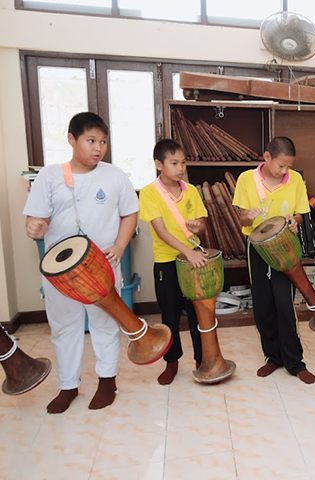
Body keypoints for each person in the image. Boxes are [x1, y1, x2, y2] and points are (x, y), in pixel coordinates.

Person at [24, 112, 139, 413]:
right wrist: (34, 226)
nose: (98, 148)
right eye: (91, 141)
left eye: (103, 141)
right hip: (60, 272)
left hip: (102, 266)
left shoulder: (115, 176)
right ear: (72, 140)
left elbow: (130, 213)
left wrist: (120, 245)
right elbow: (36, 219)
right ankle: (68, 386)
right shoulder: (49, 176)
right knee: (64, 326)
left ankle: (107, 381)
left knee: (104, 323)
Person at [233, 136, 315, 384]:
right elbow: (241, 219)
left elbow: (301, 213)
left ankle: (295, 362)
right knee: (263, 304)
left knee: (284, 303)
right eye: (281, 165)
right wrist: (249, 215)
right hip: (257, 247)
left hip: (284, 248)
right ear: (266, 157)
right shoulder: (247, 179)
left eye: (288, 166)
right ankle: (273, 357)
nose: (285, 170)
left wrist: (294, 221)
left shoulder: (296, 180)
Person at [138, 139, 208, 385]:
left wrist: (198, 225)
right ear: (159, 164)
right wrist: (186, 252)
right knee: (169, 315)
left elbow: (202, 221)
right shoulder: (149, 193)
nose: (181, 168)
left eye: (184, 162)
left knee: (198, 315)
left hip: (194, 262)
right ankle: (172, 362)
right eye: (174, 163)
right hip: (168, 262)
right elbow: (161, 232)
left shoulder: (191, 190)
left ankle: (203, 360)